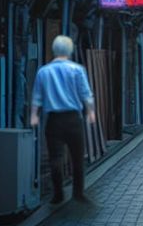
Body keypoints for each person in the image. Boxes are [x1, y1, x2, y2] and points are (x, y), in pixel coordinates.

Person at [30, 35, 97, 206]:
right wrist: (91, 112)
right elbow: (86, 94)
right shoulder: (77, 70)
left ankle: (58, 194)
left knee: (55, 158)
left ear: (54, 50)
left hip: (53, 120)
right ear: (70, 50)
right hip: (73, 119)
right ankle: (78, 193)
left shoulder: (43, 71)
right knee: (77, 157)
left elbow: (37, 97)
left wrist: (34, 115)